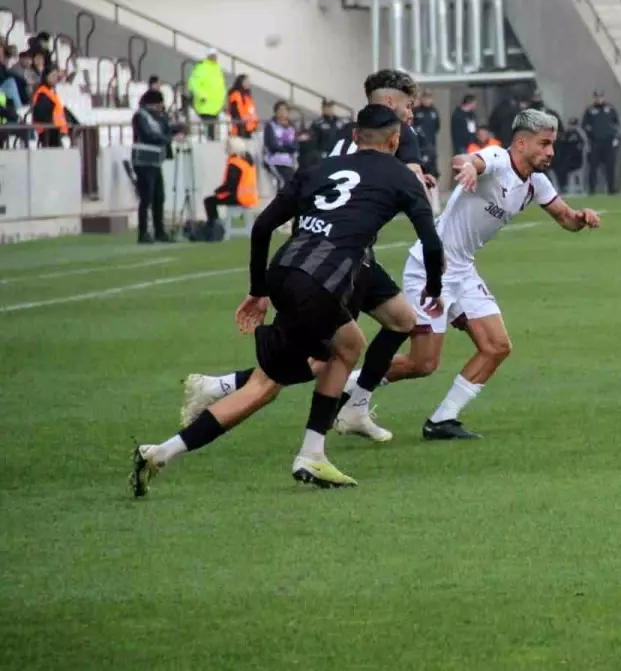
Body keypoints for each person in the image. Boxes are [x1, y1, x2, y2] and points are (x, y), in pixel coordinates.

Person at [131, 104, 446, 498]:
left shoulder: (317, 169)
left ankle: (173, 451)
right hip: (320, 283)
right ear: (396, 140)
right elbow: (431, 243)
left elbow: (263, 226)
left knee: (346, 346)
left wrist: (259, 290)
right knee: (268, 385)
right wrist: (433, 287)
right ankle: (301, 451)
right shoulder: (402, 176)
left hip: (284, 270)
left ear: (354, 135)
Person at [180, 70, 431, 443]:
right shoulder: (397, 134)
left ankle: (356, 406)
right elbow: (412, 183)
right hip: (334, 260)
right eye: (409, 106)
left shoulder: (352, 131)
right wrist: (417, 191)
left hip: (322, 248)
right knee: (316, 357)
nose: (412, 115)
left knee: (399, 320)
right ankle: (225, 396)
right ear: (392, 104)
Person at [344, 109, 601, 441]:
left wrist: (582, 217)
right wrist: (467, 167)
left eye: (553, 144)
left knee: (496, 346)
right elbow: (470, 160)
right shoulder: (497, 158)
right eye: (545, 144)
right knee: (423, 363)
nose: (551, 152)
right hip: (430, 267)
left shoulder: (536, 182)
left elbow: (566, 218)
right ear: (521, 143)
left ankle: (442, 420)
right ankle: (349, 384)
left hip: (462, 270)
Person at [131, 89, 180, 244]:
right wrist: (169, 138)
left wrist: (177, 128)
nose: (161, 107)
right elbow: (149, 135)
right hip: (143, 161)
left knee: (159, 196)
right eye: (159, 104)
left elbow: (165, 129)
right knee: (146, 198)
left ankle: (160, 231)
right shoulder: (140, 116)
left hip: (155, 161)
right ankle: (143, 232)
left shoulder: (157, 116)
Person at [203, 136, 260, 231]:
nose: (225, 149)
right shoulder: (247, 161)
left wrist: (218, 191)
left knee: (209, 201)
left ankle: (214, 226)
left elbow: (231, 184)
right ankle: (215, 225)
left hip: (239, 197)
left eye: (227, 146)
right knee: (213, 199)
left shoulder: (235, 163)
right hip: (251, 197)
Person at [582, 89, 621, 195]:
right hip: (595, 142)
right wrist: (590, 135)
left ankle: (611, 189)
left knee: (610, 166)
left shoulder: (610, 109)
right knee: (593, 167)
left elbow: (616, 123)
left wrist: (614, 136)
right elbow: (585, 125)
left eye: (600, 96)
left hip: (608, 142)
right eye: (597, 97)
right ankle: (592, 189)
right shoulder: (590, 110)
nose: (599, 99)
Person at [30, 67, 75, 148]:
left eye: (56, 76)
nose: (55, 78)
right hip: (50, 133)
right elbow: (41, 114)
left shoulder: (51, 92)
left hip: (58, 130)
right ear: (46, 77)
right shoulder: (42, 93)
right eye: (52, 76)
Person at [187, 48, 225, 141]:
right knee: (207, 131)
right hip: (205, 105)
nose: (214, 57)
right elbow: (193, 84)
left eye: (215, 55)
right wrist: (201, 96)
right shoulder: (201, 68)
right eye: (212, 55)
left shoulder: (217, 69)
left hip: (216, 106)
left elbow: (220, 86)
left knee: (213, 132)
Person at [263, 101, 298, 186]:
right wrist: (288, 148)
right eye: (280, 110)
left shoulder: (292, 127)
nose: (282, 113)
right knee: (283, 182)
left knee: (295, 182)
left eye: (285, 110)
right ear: (276, 112)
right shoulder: (270, 125)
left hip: (289, 163)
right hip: (274, 161)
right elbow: (273, 146)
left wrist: (284, 146)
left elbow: (296, 145)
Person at [552, 116, 588, 192]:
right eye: (571, 125)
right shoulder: (566, 134)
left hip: (578, 159)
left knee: (577, 174)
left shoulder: (580, 133)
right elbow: (561, 145)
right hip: (567, 159)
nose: (572, 127)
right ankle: (565, 188)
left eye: (573, 125)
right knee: (563, 171)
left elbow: (585, 145)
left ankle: (580, 189)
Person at [411, 90, 440, 176]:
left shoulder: (434, 111)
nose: (427, 100)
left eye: (429, 98)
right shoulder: (415, 111)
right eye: (425, 98)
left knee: (432, 165)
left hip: (431, 143)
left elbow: (437, 126)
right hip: (419, 144)